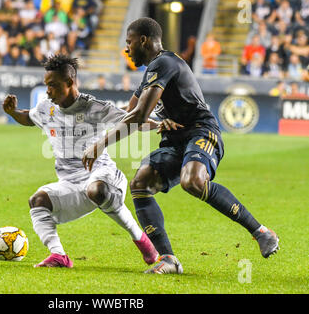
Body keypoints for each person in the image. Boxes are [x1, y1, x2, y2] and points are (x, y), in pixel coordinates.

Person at [82, 17, 280, 274]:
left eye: (129, 42)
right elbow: (128, 115)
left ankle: (261, 232)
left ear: (143, 40)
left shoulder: (164, 63)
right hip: (175, 140)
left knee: (192, 181)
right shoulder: (149, 74)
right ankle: (168, 260)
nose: (126, 49)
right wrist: (92, 115)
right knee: (140, 183)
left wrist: (100, 144)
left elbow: (138, 117)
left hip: (201, 132)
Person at [2, 54, 158, 268]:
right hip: (70, 183)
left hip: (103, 175)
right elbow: (28, 118)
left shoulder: (94, 107)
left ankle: (141, 240)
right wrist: (13, 112)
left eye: (53, 85)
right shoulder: (46, 108)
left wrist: (160, 125)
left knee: (97, 190)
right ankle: (59, 256)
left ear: (69, 82)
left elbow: (133, 120)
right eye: (46, 85)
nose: (48, 90)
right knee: (37, 201)